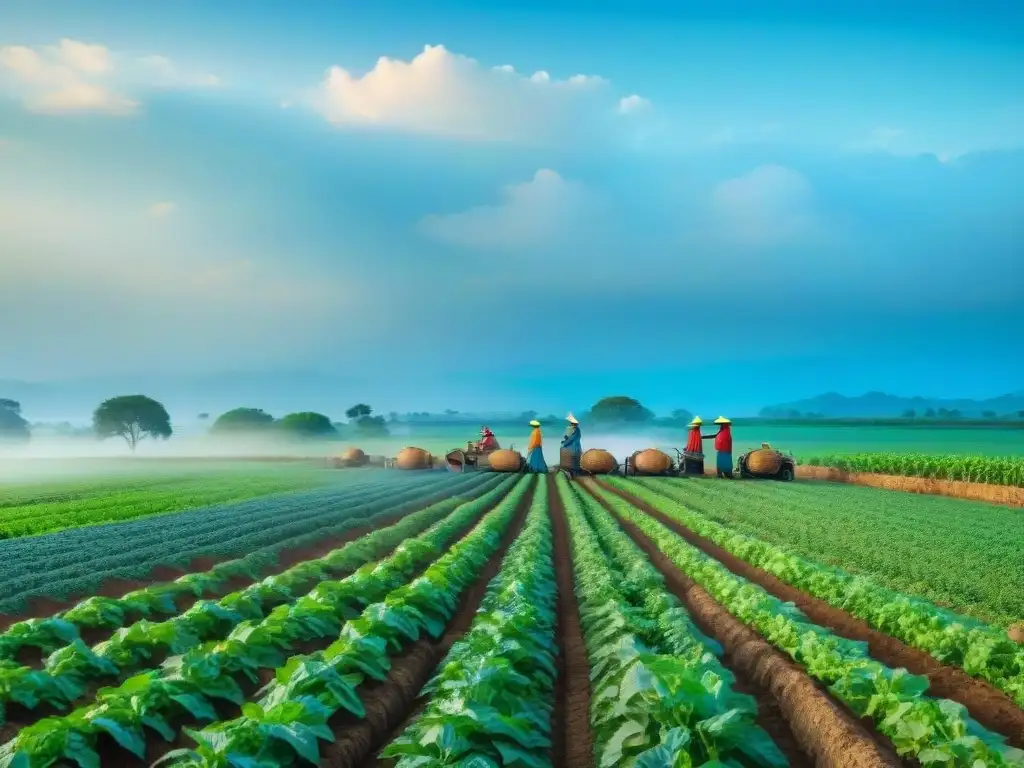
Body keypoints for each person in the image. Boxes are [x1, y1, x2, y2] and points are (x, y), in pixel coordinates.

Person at [560, 413, 582, 477]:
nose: (570, 424)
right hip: (573, 445)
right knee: (573, 458)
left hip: (574, 445)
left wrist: (565, 442)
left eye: (571, 423)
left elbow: (571, 439)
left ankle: (575, 472)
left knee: (574, 458)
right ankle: (573, 472)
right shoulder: (573, 429)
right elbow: (568, 437)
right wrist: (566, 439)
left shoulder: (576, 430)